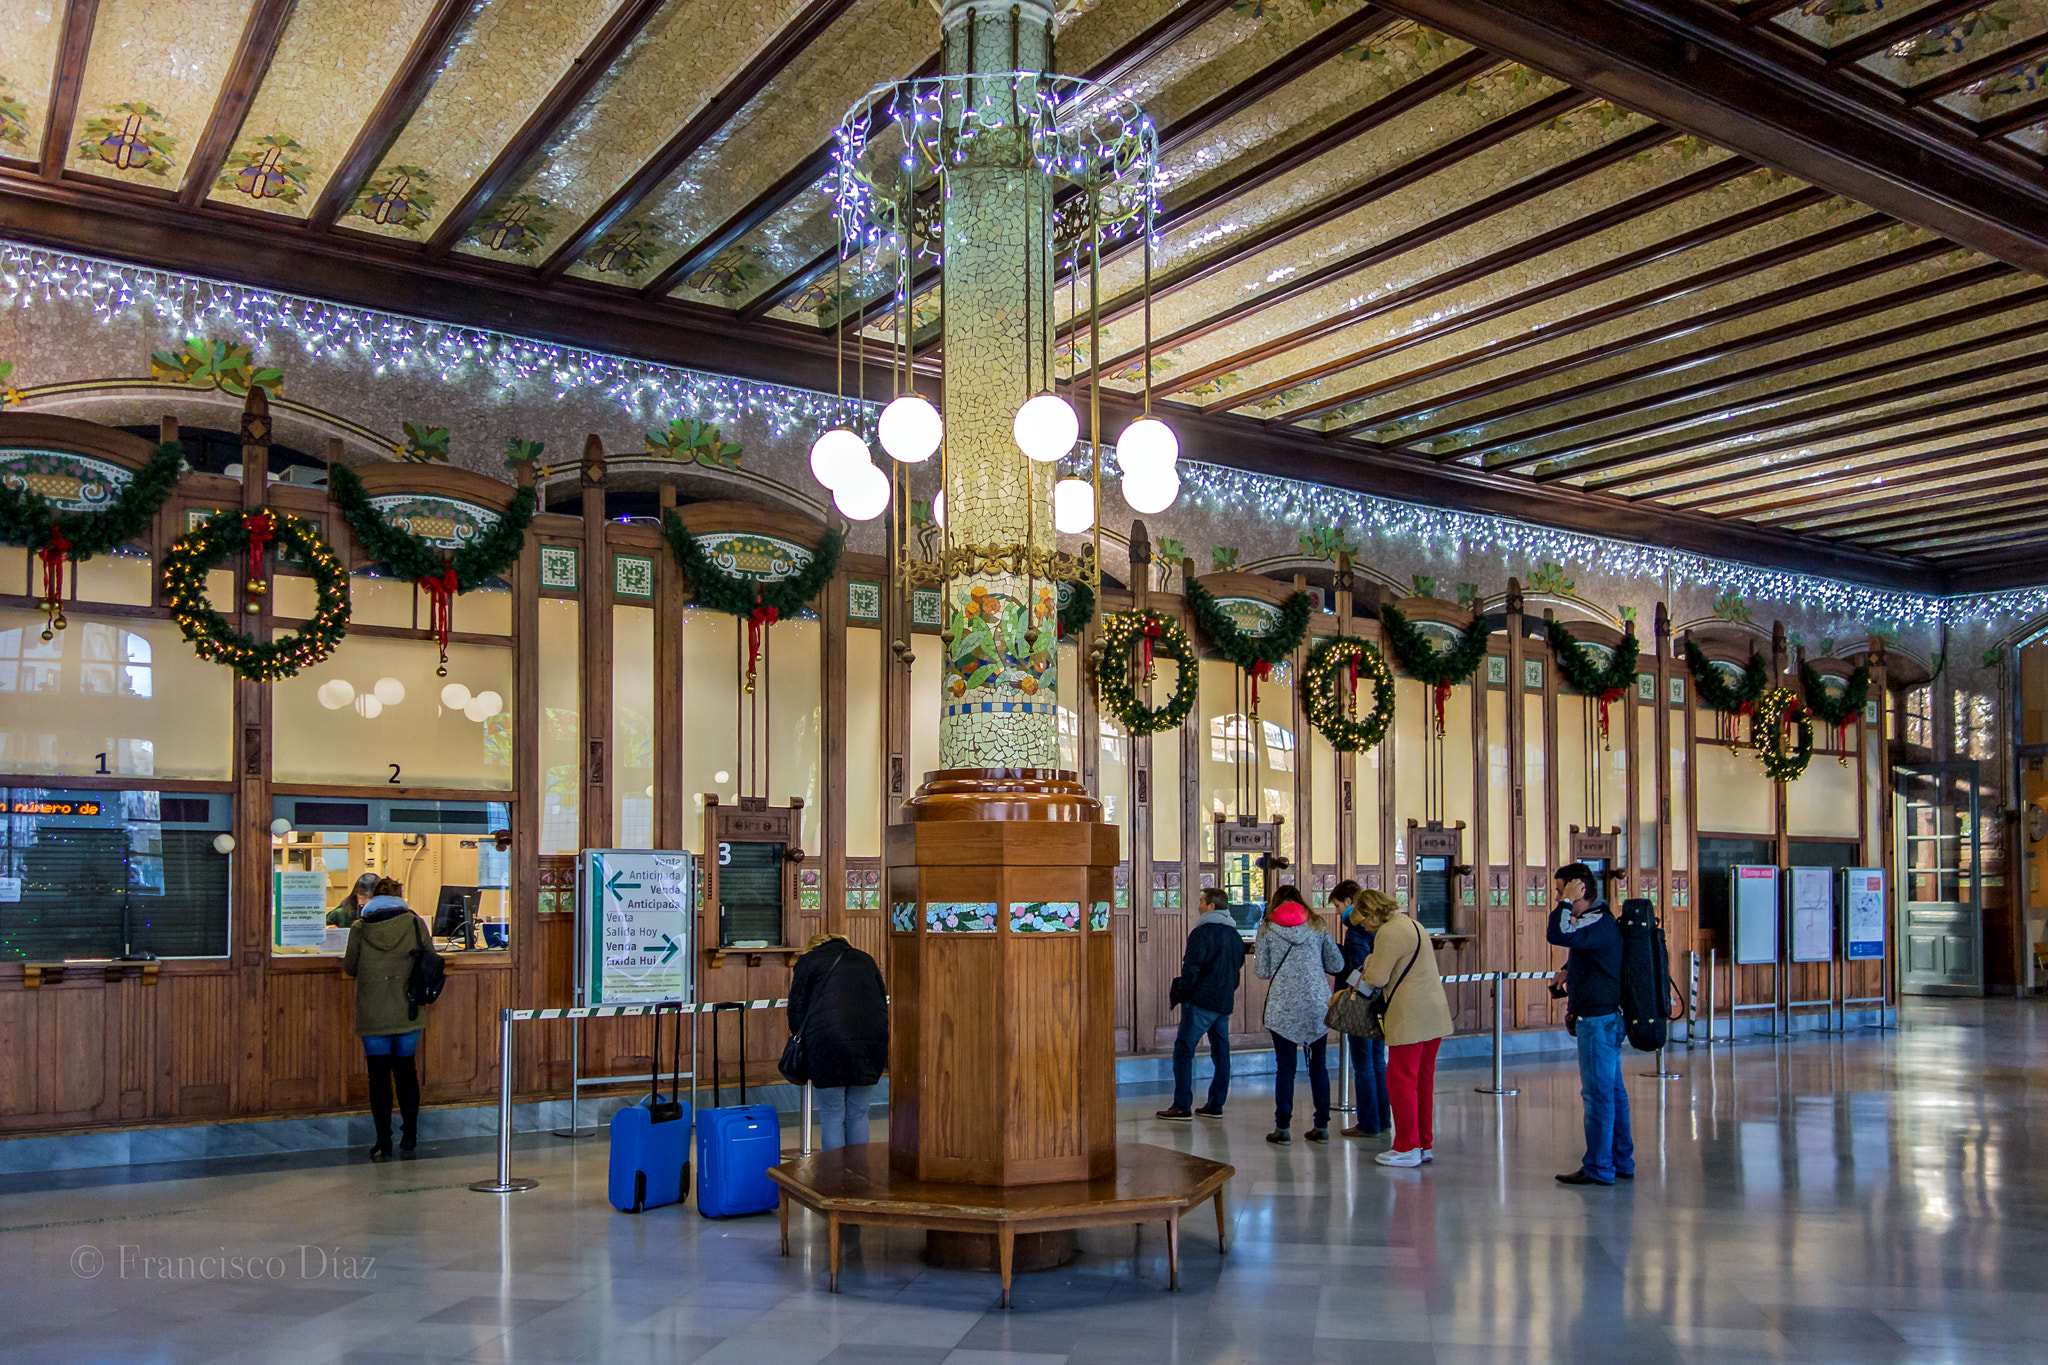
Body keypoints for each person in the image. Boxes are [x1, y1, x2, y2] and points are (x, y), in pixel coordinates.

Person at [1351, 890, 1454, 1167]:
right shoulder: (1413, 923)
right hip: (1433, 1013)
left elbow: (1376, 977)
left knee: (1401, 1081)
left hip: (1410, 1015)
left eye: (1364, 921)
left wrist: (1370, 959)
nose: (1365, 928)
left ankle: (1406, 1146)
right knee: (1423, 1081)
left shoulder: (1388, 932)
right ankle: (1424, 1143)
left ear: (1371, 912)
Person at [1546, 863, 1634, 1187]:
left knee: (1598, 1096)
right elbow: (1587, 948)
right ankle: (1621, 1160)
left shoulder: (1596, 919)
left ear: (1581, 889)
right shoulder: (1598, 922)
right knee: (1612, 1092)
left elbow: (1557, 933)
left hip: (1597, 1021)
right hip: (1603, 1019)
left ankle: (1599, 1166)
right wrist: (1569, 970)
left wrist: (1565, 903)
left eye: (1561, 890)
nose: (1558, 897)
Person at [341, 877, 429, 1161]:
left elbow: (350, 967)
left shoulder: (360, 928)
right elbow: (430, 959)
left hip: (373, 1011)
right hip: (408, 1008)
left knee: (378, 1077)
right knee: (406, 1073)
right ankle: (410, 1136)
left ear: (372, 898)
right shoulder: (415, 924)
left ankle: (383, 1141)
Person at [1254, 886, 1344, 1145]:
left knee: (1285, 1068)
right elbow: (1336, 964)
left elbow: (1262, 971)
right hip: (1317, 1004)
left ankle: (1282, 1128)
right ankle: (1322, 1126)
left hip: (1283, 1007)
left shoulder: (1267, 928)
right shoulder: (1317, 925)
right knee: (1318, 1067)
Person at [785, 932, 889, 1151]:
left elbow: (796, 1012)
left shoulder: (808, 962)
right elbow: (882, 1002)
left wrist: (804, 1038)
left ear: (814, 947)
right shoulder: (866, 960)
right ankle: (858, 1176)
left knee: (832, 1114)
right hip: (869, 1046)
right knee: (859, 1113)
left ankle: (834, 1179)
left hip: (827, 1046)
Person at [1157, 887, 1246, 1120]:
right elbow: (1237, 969)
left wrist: (1183, 993)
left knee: (1184, 1051)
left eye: (1201, 901)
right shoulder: (1235, 935)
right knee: (1221, 1054)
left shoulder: (1201, 933)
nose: (1198, 906)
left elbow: (1192, 967)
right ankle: (1216, 1104)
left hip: (1200, 1002)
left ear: (1211, 906)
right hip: (1224, 1003)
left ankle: (1182, 1104)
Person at [1330, 881, 1392, 1140]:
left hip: (1361, 1003)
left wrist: (1339, 959)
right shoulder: (1381, 928)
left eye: (1336, 905)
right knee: (1378, 1062)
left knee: (1363, 1064)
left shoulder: (1356, 930)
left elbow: (1358, 968)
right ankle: (1382, 1118)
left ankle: (1368, 1122)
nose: (1336, 912)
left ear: (1348, 902)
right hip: (1380, 1002)